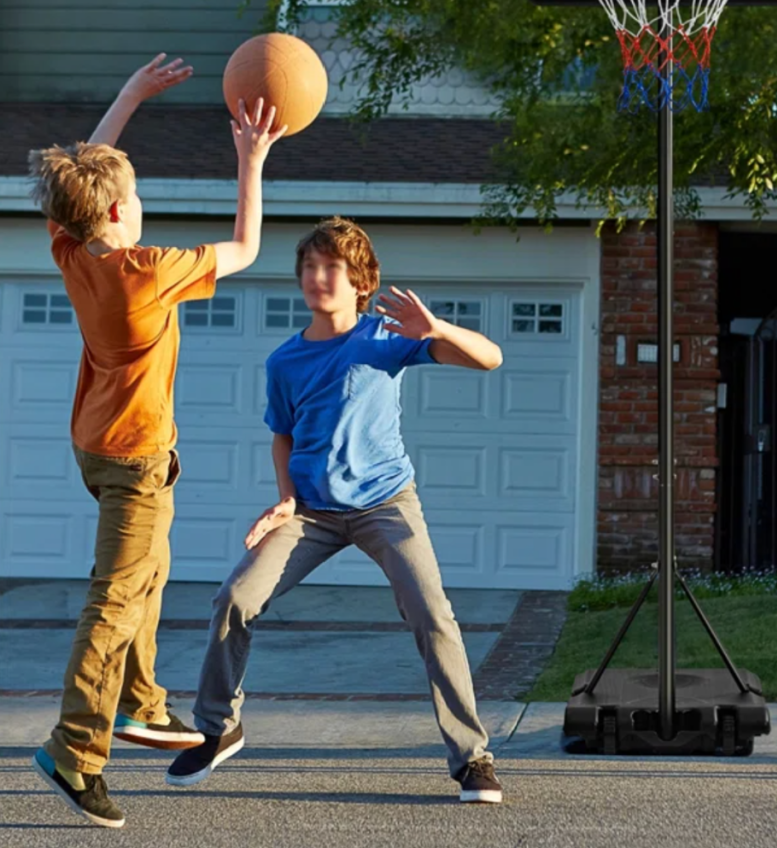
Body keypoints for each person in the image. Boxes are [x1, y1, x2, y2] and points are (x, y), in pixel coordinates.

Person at [29, 54, 286, 827]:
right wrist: (251, 160)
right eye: (133, 196)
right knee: (115, 598)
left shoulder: (72, 249)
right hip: (136, 458)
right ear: (114, 214)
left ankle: (139, 701)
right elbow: (244, 248)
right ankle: (74, 750)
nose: (140, 203)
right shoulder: (145, 271)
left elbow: (81, 177)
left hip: (98, 447)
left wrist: (130, 95)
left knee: (149, 571)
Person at [166, 217, 505, 805]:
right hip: (310, 514)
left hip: (385, 505)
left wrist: (438, 327)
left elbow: (490, 359)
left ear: (359, 282)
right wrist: (285, 497)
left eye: (332, 268)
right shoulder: (284, 361)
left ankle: (472, 758)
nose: (318, 276)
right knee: (235, 599)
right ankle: (218, 727)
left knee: (432, 615)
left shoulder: (385, 338)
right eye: (310, 266)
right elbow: (283, 435)